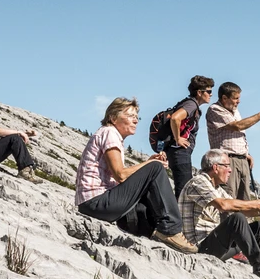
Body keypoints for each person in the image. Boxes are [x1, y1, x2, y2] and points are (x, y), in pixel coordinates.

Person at [76, 97, 198, 253]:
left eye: (136, 117)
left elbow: (119, 176)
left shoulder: (109, 134)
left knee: (150, 177)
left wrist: (146, 165)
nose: (135, 121)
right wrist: (150, 165)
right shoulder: (109, 133)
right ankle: (171, 230)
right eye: (130, 116)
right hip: (96, 203)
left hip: (94, 203)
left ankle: (152, 233)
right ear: (113, 118)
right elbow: (120, 175)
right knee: (155, 169)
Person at [179, 149, 260, 279]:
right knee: (236, 219)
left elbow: (241, 209)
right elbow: (224, 205)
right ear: (216, 167)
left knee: (259, 228)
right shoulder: (198, 182)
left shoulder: (216, 189)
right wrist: (257, 203)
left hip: (215, 247)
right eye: (227, 166)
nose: (230, 170)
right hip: (200, 248)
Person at [206, 82, 260, 200]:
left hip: (241, 160)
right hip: (227, 160)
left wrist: (246, 154)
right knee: (229, 197)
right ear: (224, 98)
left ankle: (243, 219)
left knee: (244, 200)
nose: (238, 101)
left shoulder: (235, 111)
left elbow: (237, 134)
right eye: (235, 98)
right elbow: (238, 126)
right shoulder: (215, 109)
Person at [162, 75, 213, 196]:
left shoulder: (190, 103)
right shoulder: (191, 104)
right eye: (209, 91)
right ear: (199, 92)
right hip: (180, 152)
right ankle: (179, 215)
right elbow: (175, 118)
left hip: (177, 152)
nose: (211, 94)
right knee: (184, 190)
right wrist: (178, 138)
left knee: (182, 188)